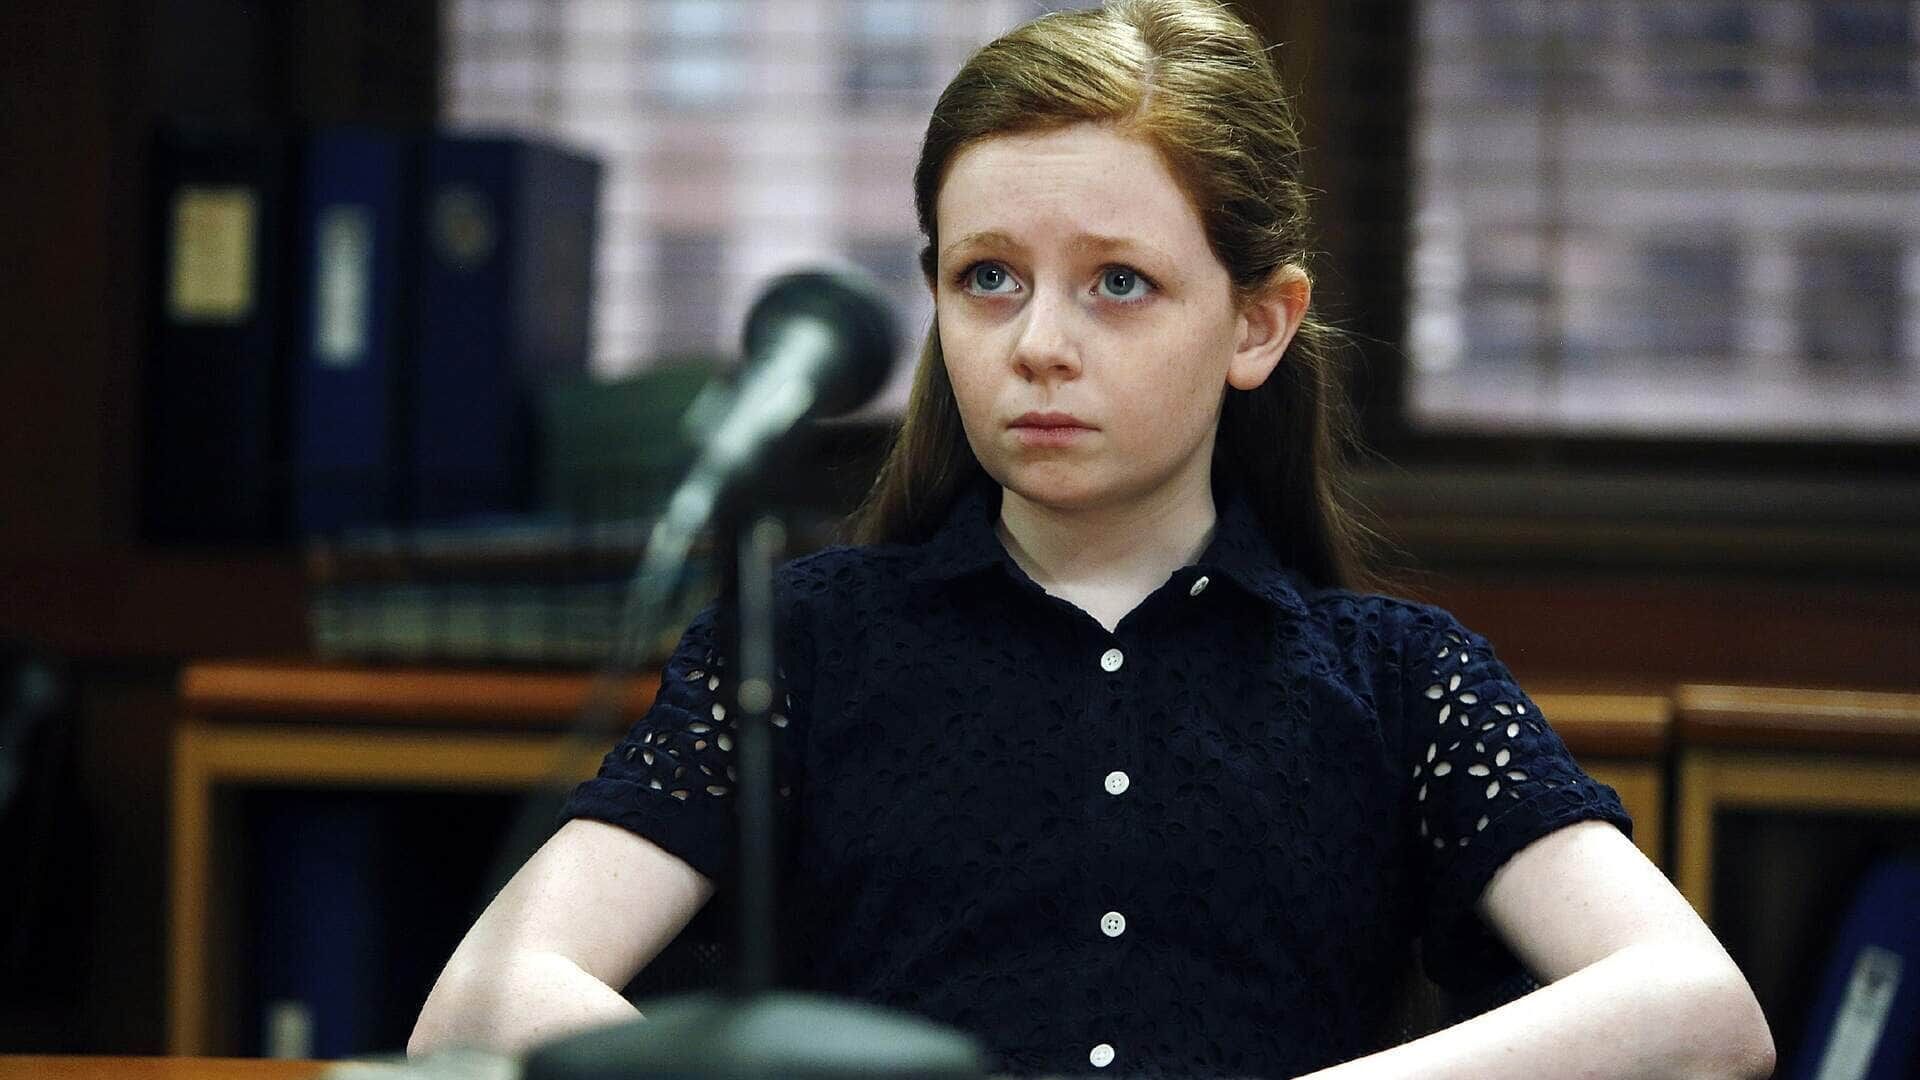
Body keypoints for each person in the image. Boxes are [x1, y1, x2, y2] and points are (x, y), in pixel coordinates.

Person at [410, 2, 1775, 1076]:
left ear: (1258, 323)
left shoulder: (1403, 680)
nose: (1039, 345)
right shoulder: (804, 647)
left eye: (1118, 282)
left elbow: (1702, 1012)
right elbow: (481, 999)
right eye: (987, 278)